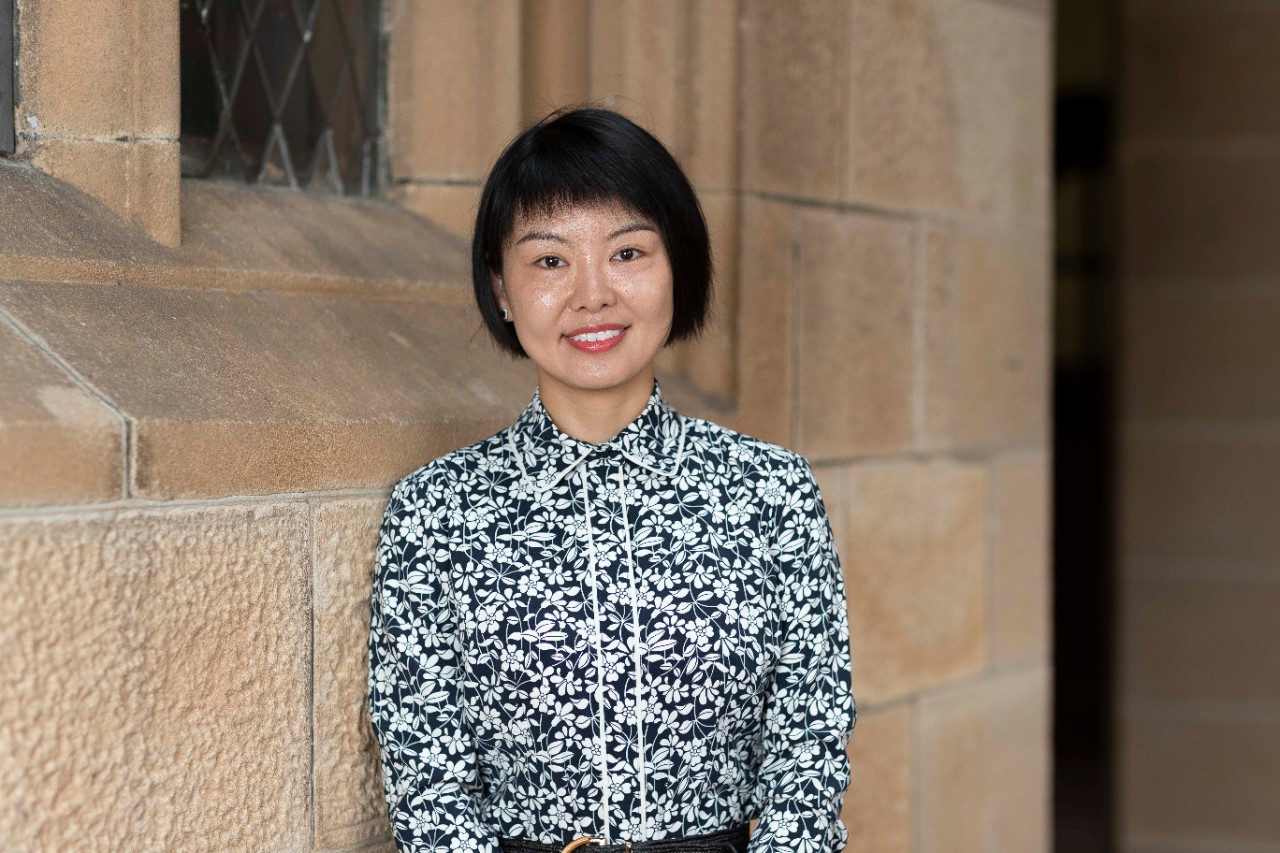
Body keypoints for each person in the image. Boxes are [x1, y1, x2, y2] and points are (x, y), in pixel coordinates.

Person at [367, 106, 855, 853]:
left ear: (677, 267)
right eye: (551, 260)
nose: (592, 293)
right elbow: (430, 783)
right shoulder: (435, 512)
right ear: (501, 288)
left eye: (628, 253)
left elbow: (807, 755)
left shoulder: (771, 493)